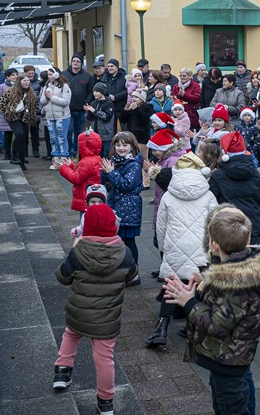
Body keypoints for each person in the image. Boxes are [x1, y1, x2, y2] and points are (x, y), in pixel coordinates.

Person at [163, 206, 260, 415]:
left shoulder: (234, 282)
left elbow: (217, 325)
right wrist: (200, 291)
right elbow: (224, 308)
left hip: (229, 362)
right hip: (227, 360)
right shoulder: (237, 270)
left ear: (214, 245)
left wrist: (189, 303)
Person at [52, 202, 137, 415]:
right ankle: (106, 401)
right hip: (108, 317)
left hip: (79, 311)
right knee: (104, 357)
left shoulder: (79, 251)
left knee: (71, 334)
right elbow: (132, 277)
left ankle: (62, 372)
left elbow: (62, 277)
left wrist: (73, 250)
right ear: (113, 226)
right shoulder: (125, 254)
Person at [148, 152, 219, 347]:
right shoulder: (209, 195)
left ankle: (161, 329)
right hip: (201, 249)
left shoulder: (169, 195)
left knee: (172, 286)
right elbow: (216, 224)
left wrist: (164, 249)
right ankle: (192, 327)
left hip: (175, 247)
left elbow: (161, 227)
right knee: (197, 287)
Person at [210, 132, 260, 245]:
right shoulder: (254, 173)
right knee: (254, 258)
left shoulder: (217, 176)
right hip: (253, 224)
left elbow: (211, 201)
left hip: (228, 226)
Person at [99, 131, 145, 288]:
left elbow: (126, 185)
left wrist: (111, 173)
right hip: (115, 207)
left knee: (128, 242)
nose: (121, 148)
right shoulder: (114, 160)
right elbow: (107, 181)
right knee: (117, 242)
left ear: (132, 146)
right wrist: (104, 173)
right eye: (118, 145)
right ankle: (120, 271)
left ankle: (134, 272)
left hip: (129, 208)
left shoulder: (134, 164)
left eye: (125, 145)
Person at [0, 74, 38, 170]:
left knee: (23, 137)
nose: (27, 82)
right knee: (19, 134)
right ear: (19, 81)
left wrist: (33, 116)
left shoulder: (31, 93)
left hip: (25, 117)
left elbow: (35, 105)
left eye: (28, 81)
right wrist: (7, 113)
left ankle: (21, 159)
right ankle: (14, 156)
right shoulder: (11, 91)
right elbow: (1, 102)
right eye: (24, 81)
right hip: (13, 117)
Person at [40, 68, 73, 166]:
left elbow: (66, 102)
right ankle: (56, 159)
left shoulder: (64, 86)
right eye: (48, 74)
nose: (49, 76)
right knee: (53, 138)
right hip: (50, 117)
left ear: (56, 75)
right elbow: (42, 101)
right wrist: (46, 97)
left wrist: (51, 97)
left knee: (62, 138)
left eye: (51, 74)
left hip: (62, 117)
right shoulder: (47, 86)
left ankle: (63, 159)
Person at [65, 54, 93, 150]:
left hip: (82, 109)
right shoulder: (64, 75)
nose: (75, 63)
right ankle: (69, 152)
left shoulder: (86, 76)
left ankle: (77, 152)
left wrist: (87, 102)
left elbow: (90, 91)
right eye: (73, 61)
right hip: (67, 109)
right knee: (68, 131)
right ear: (71, 62)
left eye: (78, 61)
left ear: (81, 63)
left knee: (79, 133)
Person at [85, 83, 115, 156]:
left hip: (106, 135)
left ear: (102, 92)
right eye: (94, 91)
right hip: (95, 134)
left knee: (106, 155)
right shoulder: (93, 103)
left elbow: (106, 117)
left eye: (97, 91)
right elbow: (88, 118)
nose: (95, 93)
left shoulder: (108, 103)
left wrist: (94, 111)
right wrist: (88, 111)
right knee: (96, 154)